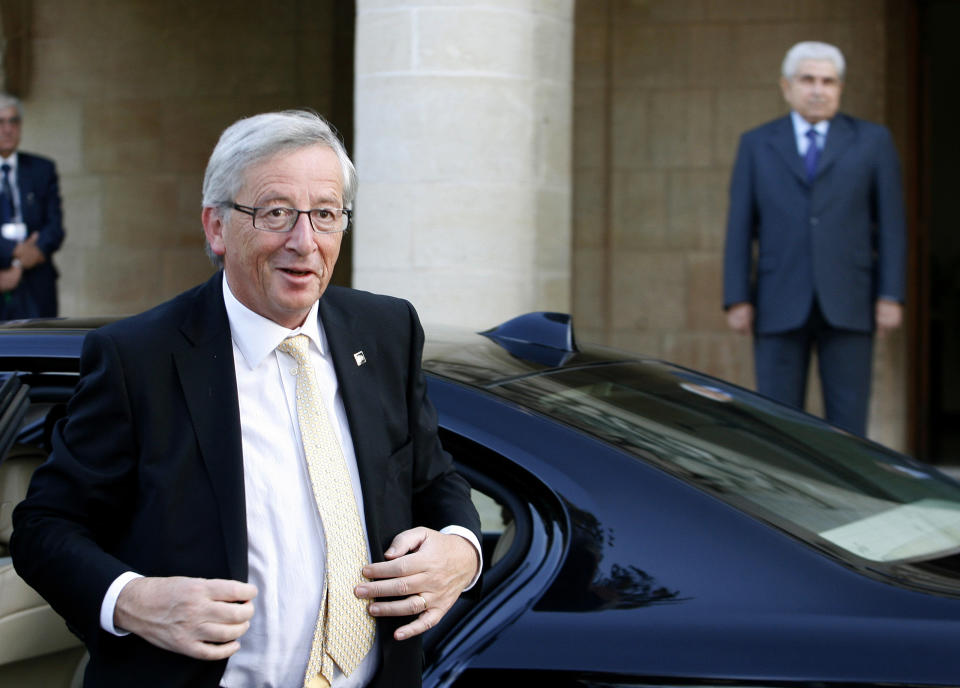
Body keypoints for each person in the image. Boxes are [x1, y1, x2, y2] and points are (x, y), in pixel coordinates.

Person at [11, 110, 482, 688]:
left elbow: (434, 482)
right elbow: (45, 527)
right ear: (216, 227)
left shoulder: (386, 330)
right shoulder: (140, 359)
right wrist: (132, 600)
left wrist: (462, 551)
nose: (304, 241)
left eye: (326, 214)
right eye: (276, 212)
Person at [722, 41, 906, 437]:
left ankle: (847, 495)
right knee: (776, 419)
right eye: (808, 80)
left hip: (850, 300)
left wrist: (890, 295)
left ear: (840, 88)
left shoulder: (873, 142)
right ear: (786, 86)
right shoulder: (756, 144)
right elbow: (740, 225)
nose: (818, 89)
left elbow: (890, 224)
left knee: (849, 417)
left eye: (828, 81)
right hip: (778, 298)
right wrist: (737, 296)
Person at [0, 93, 65, 319]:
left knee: (40, 350)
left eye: (14, 121)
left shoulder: (42, 169)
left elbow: (55, 228)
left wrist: (24, 260)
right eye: (1, 121)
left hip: (36, 283)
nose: (8, 129)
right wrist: (13, 250)